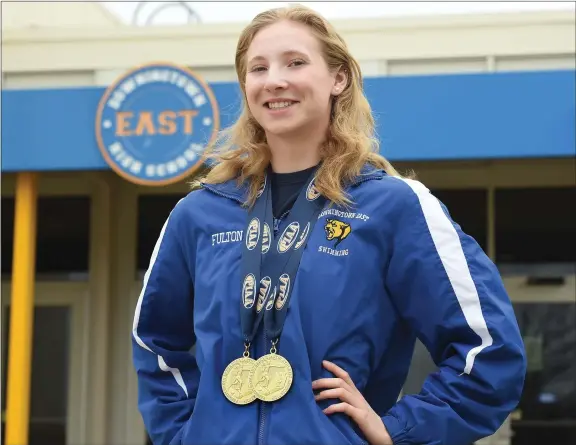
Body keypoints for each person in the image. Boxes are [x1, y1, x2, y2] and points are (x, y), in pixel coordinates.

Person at [132, 4, 527, 445]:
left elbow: (487, 351)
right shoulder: (198, 214)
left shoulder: (394, 207)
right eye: (258, 68)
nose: (274, 79)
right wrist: (185, 435)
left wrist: (398, 430)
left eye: (295, 62)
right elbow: (154, 344)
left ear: (338, 79)